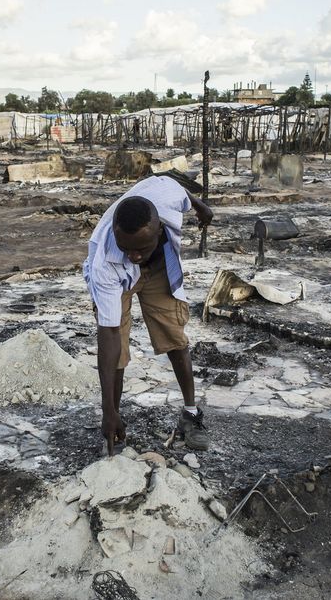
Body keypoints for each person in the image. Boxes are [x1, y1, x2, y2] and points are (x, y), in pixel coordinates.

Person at [83, 175, 214, 456]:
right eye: (126, 247)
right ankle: (114, 421)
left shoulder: (167, 196)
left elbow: (182, 192)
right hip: (117, 278)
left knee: (174, 336)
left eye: (141, 248)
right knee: (117, 352)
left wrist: (201, 207)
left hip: (159, 268)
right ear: (115, 232)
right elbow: (109, 332)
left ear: (159, 229)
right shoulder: (104, 261)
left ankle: (190, 414)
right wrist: (106, 411)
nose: (133, 256)